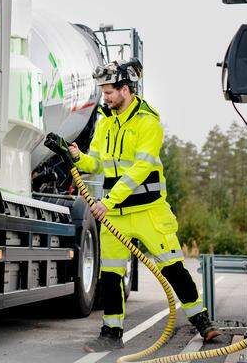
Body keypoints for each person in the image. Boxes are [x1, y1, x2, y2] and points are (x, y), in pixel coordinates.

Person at [70, 60, 221, 352]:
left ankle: (203, 322)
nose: (106, 97)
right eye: (104, 91)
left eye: (109, 91)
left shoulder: (148, 122)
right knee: (111, 274)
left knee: (173, 268)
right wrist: (79, 157)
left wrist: (108, 201)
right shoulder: (106, 123)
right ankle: (111, 335)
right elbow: (97, 163)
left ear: (125, 90)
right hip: (116, 214)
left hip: (149, 211)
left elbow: (140, 168)